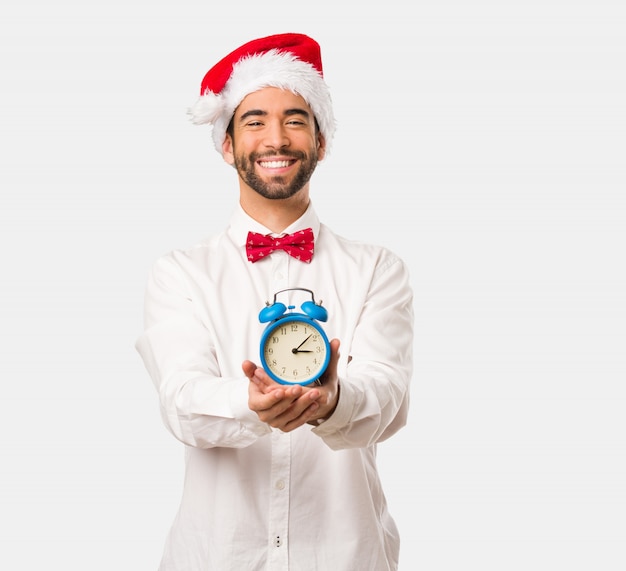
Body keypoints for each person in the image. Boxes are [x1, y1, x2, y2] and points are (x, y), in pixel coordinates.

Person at [135, 32, 414, 571]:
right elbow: (182, 400)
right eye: (255, 120)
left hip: (346, 556)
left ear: (321, 141)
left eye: (295, 119)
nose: (276, 139)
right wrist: (251, 403)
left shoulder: (379, 269)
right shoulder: (180, 273)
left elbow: (387, 396)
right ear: (227, 144)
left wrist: (334, 402)